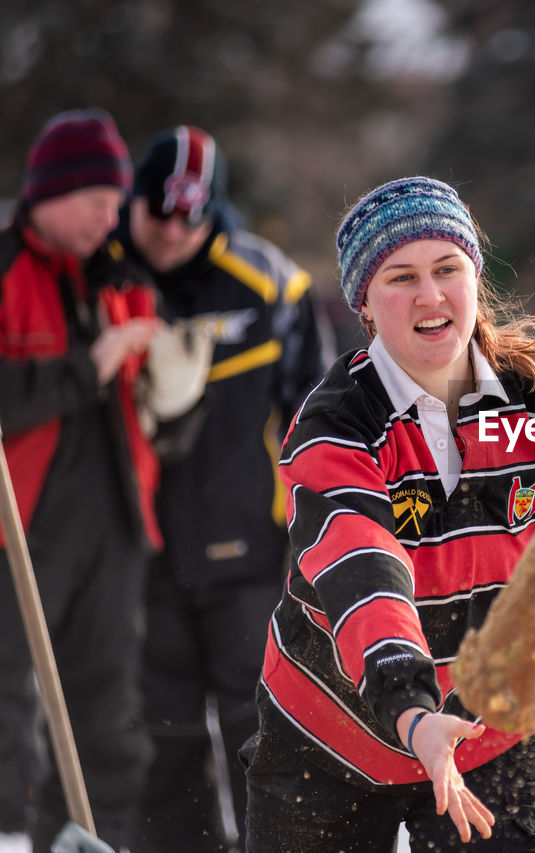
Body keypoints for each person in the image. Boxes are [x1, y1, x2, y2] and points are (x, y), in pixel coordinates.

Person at [241, 177, 535, 852]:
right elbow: (364, 575)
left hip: (490, 733)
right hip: (330, 740)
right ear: (365, 303)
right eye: (400, 277)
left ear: (474, 278)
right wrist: (412, 711)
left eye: (446, 269)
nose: (429, 295)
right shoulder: (337, 424)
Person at [107, 125, 328, 852]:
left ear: (215, 210)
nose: (172, 232)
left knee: (260, 734)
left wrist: (316, 541)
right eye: (157, 213)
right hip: (138, 557)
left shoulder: (271, 285)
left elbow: (320, 422)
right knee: (162, 744)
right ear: (132, 201)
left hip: (249, 556)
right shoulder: (101, 276)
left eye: (190, 216)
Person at [0, 109, 161, 850]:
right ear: (50, 193)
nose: (111, 216)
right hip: (20, 529)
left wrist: (174, 393)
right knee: (9, 700)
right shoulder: (6, 267)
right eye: (97, 200)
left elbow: (152, 412)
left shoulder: (120, 279)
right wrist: (89, 364)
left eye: (115, 201)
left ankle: (101, 837)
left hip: (116, 523)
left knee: (106, 707)